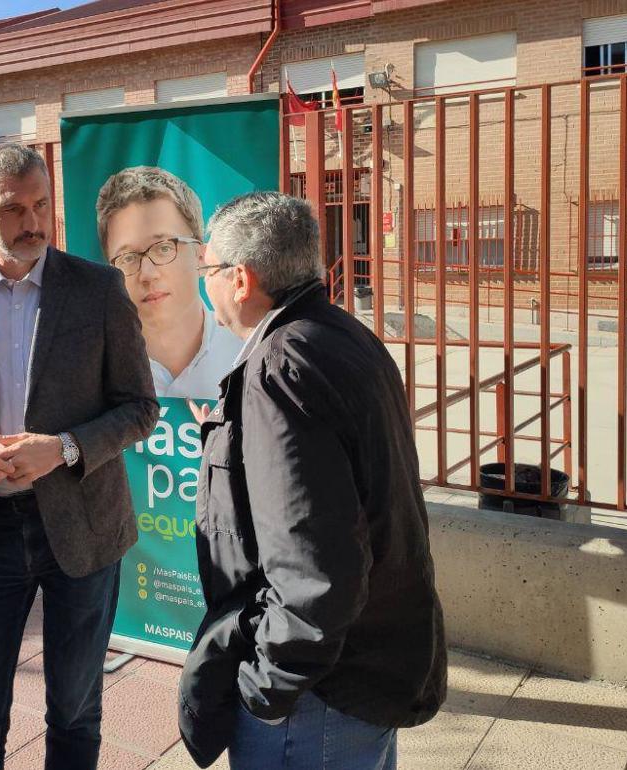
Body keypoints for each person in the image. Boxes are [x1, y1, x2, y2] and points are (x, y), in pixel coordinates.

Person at [0, 142, 157, 770]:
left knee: (74, 709)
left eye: (42, 204)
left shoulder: (99, 290)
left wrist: (64, 448)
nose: (34, 222)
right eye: (13, 209)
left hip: (80, 529)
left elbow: (139, 407)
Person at [178, 192, 447, 769]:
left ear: (241, 279)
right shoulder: (341, 334)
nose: (207, 287)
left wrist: (268, 685)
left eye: (208, 271)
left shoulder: (279, 365)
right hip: (367, 666)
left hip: (319, 693)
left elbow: (315, 567)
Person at [96, 166, 242, 400]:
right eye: (128, 258)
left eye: (164, 248)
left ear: (201, 256)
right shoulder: (94, 369)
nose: (148, 274)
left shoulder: (249, 354)